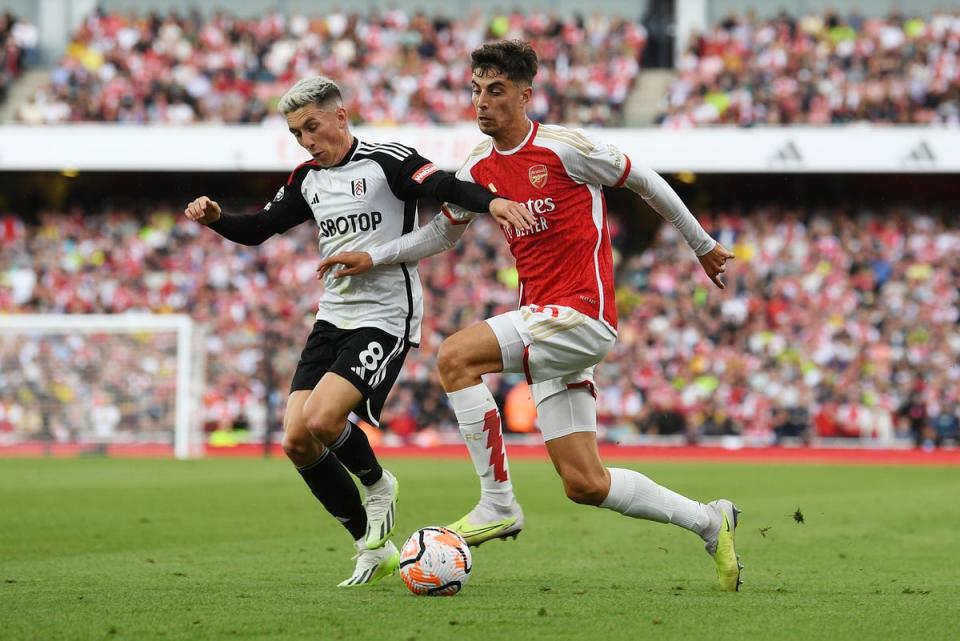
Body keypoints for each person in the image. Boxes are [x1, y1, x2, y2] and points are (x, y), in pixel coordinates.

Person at [318, 41, 744, 591]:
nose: (482, 102)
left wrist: (702, 243)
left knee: (455, 357)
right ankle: (711, 521)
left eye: (496, 91)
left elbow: (644, 179)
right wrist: (374, 254)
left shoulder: (564, 148)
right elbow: (441, 234)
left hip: (580, 313)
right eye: (476, 90)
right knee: (584, 483)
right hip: (547, 325)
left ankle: (497, 503)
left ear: (525, 94)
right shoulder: (477, 166)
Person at [183, 75, 532, 587]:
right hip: (333, 317)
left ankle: (378, 483)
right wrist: (217, 218)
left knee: (324, 420)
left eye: (312, 127)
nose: (306, 141)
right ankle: (374, 548)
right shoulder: (306, 178)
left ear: (340, 117)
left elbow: (443, 187)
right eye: (296, 132)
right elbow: (259, 229)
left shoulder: (386, 159)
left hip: (386, 315)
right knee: (295, 440)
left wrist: (492, 202)